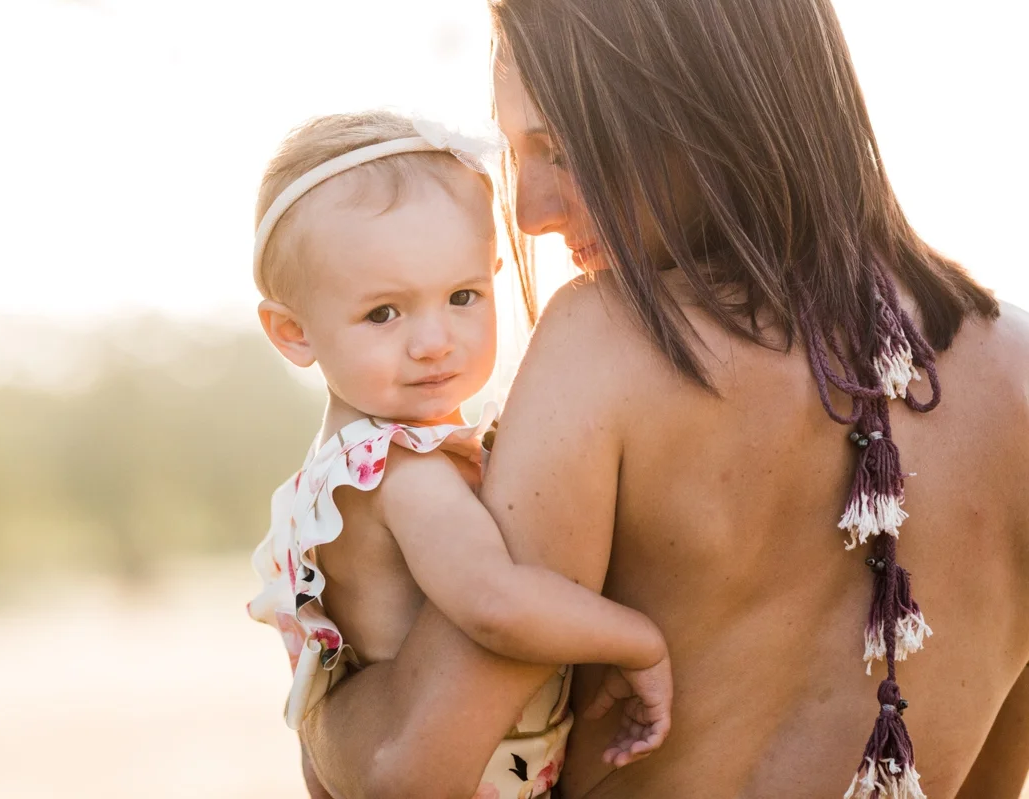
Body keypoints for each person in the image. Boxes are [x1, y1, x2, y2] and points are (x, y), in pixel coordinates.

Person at [299, 1, 1029, 797]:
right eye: (518, 154)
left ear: (703, 108)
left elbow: (404, 770)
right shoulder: (1019, 376)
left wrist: (315, 680)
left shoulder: (602, 347)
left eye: (564, 149)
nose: (529, 213)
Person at [246, 110, 674, 799]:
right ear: (293, 331)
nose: (434, 342)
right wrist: (639, 642)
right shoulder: (405, 470)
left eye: (463, 296)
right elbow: (494, 604)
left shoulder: (328, 473)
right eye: (384, 313)